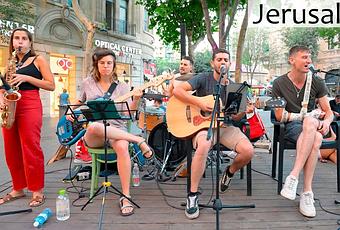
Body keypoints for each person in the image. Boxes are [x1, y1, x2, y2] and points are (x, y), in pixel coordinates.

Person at [67, 48, 153, 216]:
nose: (105, 66)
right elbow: (80, 99)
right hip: (95, 134)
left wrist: (136, 99)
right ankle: (138, 140)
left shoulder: (123, 87)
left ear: (114, 65)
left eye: (109, 63)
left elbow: (129, 115)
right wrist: (72, 111)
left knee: (122, 147)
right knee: (93, 126)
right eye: (102, 63)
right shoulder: (87, 83)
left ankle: (126, 196)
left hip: (117, 129)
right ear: (96, 64)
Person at [173, 48, 254, 219]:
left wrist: (245, 110)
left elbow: (236, 116)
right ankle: (192, 195)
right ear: (213, 63)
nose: (222, 62)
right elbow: (178, 91)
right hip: (202, 126)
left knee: (248, 150)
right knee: (203, 145)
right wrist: (199, 104)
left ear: (229, 64)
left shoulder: (235, 88)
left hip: (225, 126)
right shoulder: (203, 78)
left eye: (226, 60)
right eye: (219, 59)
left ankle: (229, 172)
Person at [272, 45, 333, 218]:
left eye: (309, 57)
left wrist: (328, 121)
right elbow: (279, 115)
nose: (309, 60)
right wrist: (306, 116)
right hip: (291, 127)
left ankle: (293, 177)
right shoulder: (278, 83)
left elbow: (328, 111)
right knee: (315, 139)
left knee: (312, 124)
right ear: (292, 60)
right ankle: (307, 193)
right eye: (304, 57)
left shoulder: (317, 81)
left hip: (311, 126)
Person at [0, 28, 55, 207]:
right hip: (11, 104)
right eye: (17, 38)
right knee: (10, 148)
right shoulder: (10, 61)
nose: (20, 41)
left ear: (30, 42)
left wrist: (26, 77)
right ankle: (18, 187)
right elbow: (5, 84)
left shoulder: (38, 60)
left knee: (30, 147)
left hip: (30, 103)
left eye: (24, 38)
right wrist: (1, 96)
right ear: (12, 42)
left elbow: (51, 85)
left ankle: (37, 190)